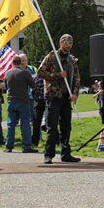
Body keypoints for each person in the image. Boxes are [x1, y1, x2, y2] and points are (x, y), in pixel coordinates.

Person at [37, 34, 81, 164]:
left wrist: (75, 94)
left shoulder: (72, 60)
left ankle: (66, 153)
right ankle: (48, 154)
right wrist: (57, 75)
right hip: (53, 96)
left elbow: (77, 79)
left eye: (71, 43)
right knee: (52, 126)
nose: (68, 45)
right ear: (60, 43)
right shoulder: (51, 57)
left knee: (66, 126)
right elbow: (40, 73)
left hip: (66, 97)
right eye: (66, 42)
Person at [4, 55, 39, 153]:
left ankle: (9, 146)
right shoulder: (25, 72)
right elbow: (33, 86)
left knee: (11, 124)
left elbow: (6, 86)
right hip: (23, 101)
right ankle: (26, 146)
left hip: (11, 101)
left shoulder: (7, 73)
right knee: (25, 124)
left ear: (12, 63)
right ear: (21, 63)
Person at [31, 66, 46, 147]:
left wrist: (35, 98)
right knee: (51, 122)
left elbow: (32, 90)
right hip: (47, 100)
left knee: (36, 122)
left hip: (37, 100)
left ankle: (35, 141)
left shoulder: (34, 76)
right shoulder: (48, 76)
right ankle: (55, 140)